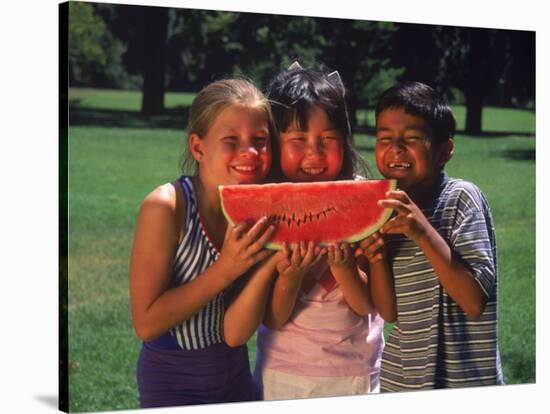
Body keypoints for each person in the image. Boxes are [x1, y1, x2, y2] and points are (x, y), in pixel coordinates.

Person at [129, 78, 282, 408]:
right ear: (198, 148)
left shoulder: (260, 210)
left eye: (260, 140)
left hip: (238, 379)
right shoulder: (167, 206)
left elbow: (238, 331)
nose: (250, 152)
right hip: (172, 386)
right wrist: (224, 270)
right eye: (231, 140)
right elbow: (146, 323)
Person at [356, 81, 504, 391]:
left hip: (467, 383)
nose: (396, 148)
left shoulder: (462, 198)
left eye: (411, 138)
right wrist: (377, 258)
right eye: (385, 138)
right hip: (402, 382)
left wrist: (423, 231)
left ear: (444, 151)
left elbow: (474, 301)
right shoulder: (385, 211)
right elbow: (389, 311)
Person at [253, 63, 385, 400]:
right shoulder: (265, 205)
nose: (315, 152)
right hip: (283, 372)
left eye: (328, 138)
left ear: (345, 140)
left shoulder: (362, 197)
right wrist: (291, 277)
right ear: (275, 144)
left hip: (353, 374)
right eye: (298, 139)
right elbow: (273, 317)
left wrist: (343, 268)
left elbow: (364, 305)